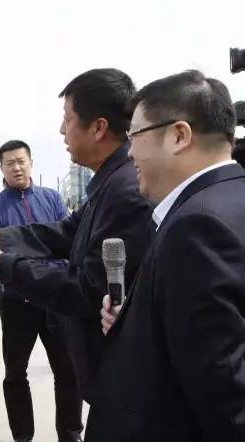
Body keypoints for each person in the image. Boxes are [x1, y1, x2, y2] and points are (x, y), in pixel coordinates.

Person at [0, 69, 155, 405]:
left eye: (67, 119)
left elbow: (88, 288)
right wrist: (0, 238)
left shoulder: (124, 191)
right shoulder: (110, 182)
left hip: (117, 376)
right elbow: (68, 231)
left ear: (98, 127)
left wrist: (3, 265)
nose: (61, 129)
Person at [90, 70, 245, 441]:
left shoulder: (197, 227)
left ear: (179, 135)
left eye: (135, 136)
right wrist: (139, 322)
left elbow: (228, 396)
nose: (130, 152)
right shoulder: (230, 197)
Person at [0, 140, 82, 442]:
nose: (16, 167)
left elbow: (68, 242)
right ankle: (22, 436)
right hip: (16, 302)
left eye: (21, 161)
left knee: (68, 372)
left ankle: (70, 434)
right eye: (9, 163)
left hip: (56, 298)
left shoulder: (52, 198)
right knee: (15, 373)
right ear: (1, 168)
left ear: (31, 163)